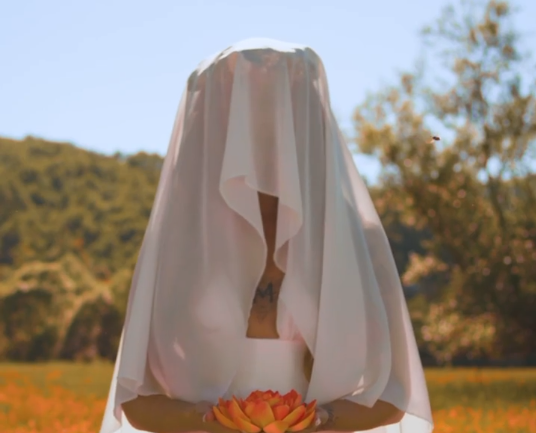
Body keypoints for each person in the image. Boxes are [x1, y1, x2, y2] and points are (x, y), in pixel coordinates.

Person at [99, 38, 434, 433]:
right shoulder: (177, 244)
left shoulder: (357, 241)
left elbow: (394, 396)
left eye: (277, 110)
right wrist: (205, 423)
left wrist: (320, 422)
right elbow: (135, 399)